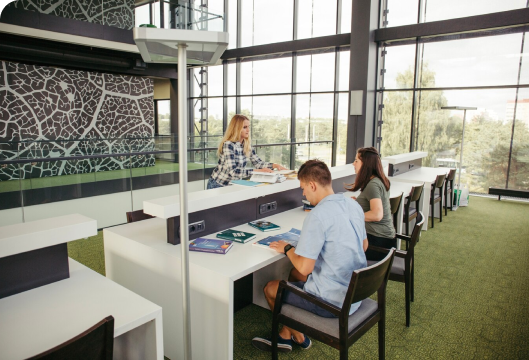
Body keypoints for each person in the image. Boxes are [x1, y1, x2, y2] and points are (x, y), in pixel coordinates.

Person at [252, 159, 368, 353]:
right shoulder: (352, 204)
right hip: (355, 294)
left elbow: (305, 268)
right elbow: (364, 245)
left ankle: (297, 335)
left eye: (303, 188)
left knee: (271, 288)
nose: (303, 194)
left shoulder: (318, 215)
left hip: (332, 302)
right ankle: (286, 335)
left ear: (313, 185)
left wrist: (288, 248)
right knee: (293, 275)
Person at [207, 114, 287, 189]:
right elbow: (233, 172)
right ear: (236, 128)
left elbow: (258, 163)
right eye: (244, 127)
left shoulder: (246, 144)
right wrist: (257, 171)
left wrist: (275, 165)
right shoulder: (228, 145)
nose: (248, 130)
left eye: (248, 127)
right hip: (218, 185)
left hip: (233, 184)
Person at [346, 147, 395, 261]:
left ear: (365, 164)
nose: (353, 164)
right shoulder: (378, 180)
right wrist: (357, 204)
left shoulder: (373, 185)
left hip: (378, 244)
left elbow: (377, 215)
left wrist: (352, 215)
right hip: (385, 240)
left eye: (356, 160)